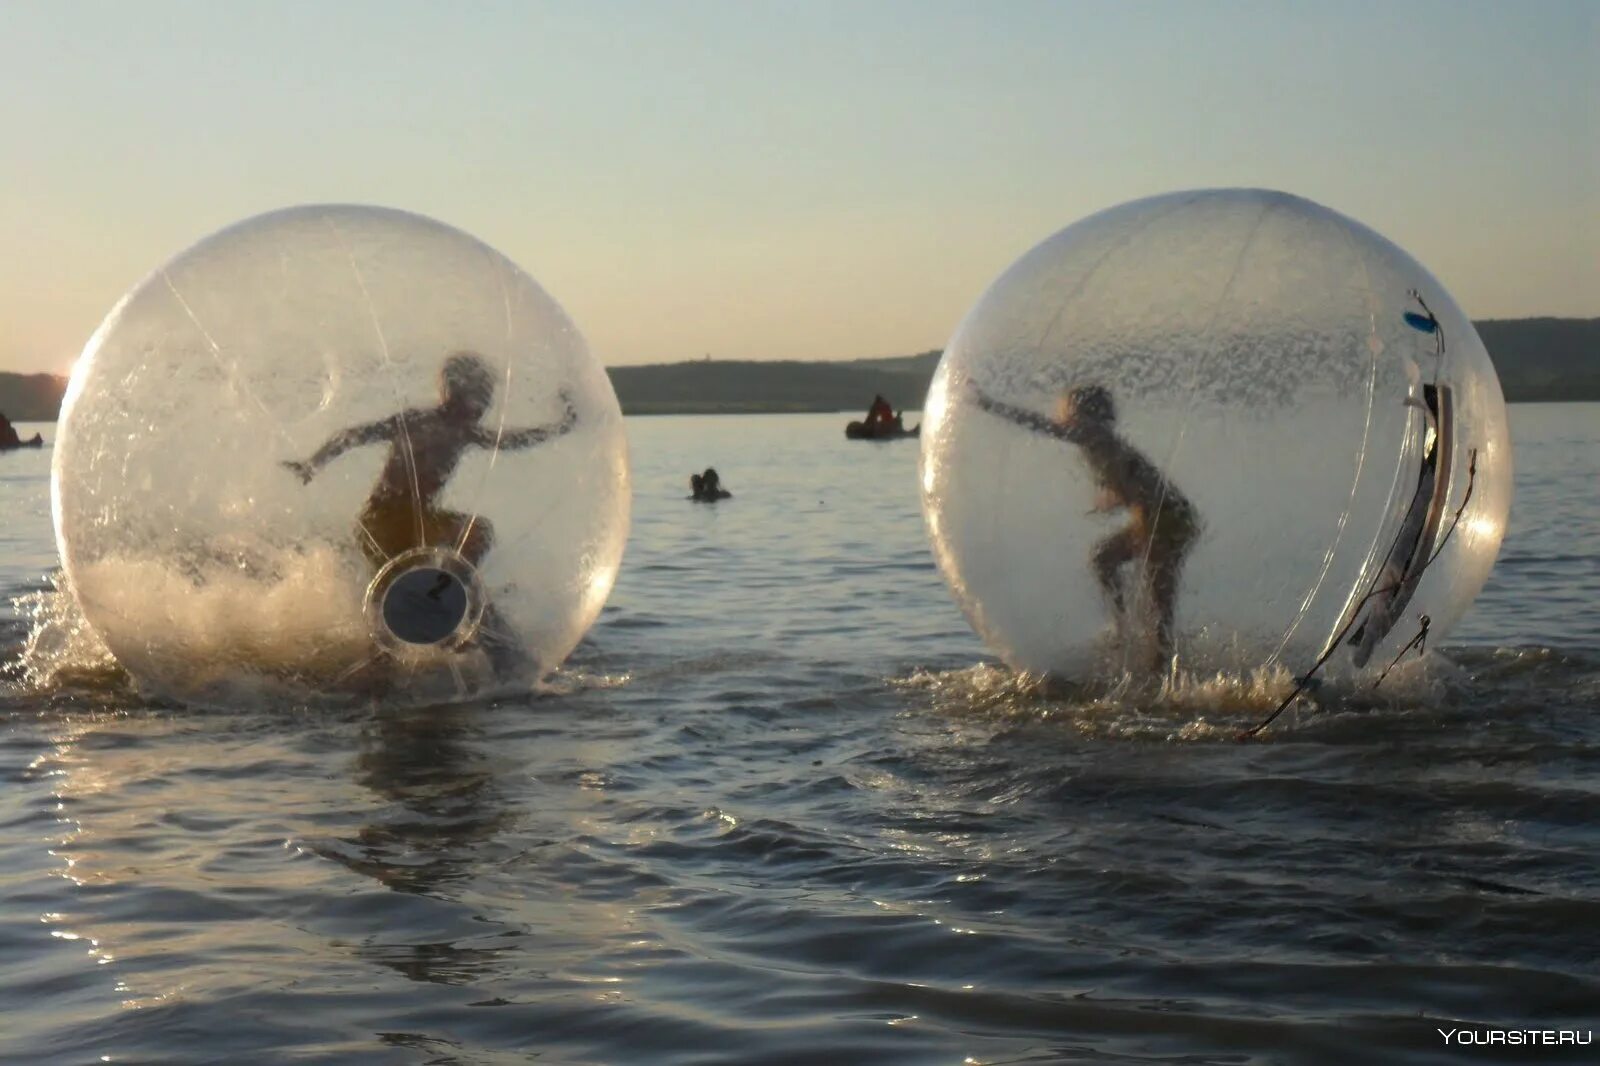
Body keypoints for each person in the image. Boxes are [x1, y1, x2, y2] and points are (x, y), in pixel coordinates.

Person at [283, 351, 577, 673]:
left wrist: (559, 428)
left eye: (488, 400)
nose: (484, 408)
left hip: (420, 521)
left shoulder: (466, 433)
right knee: (391, 592)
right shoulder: (416, 421)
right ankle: (385, 653)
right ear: (452, 392)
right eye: (480, 397)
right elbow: (353, 435)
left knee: (477, 530)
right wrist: (312, 464)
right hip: (382, 522)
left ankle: (452, 595)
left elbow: (510, 441)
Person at [969, 381, 1200, 672]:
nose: (1061, 416)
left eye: (1067, 409)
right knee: (1106, 560)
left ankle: (1156, 669)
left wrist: (991, 405)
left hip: (1165, 519)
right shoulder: (1102, 441)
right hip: (1166, 516)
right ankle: (1128, 633)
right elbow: (1136, 482)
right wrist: (1114, 498)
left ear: (1082, 413)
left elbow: (1041, 425)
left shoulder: (1091, 433)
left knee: (1156, 601)